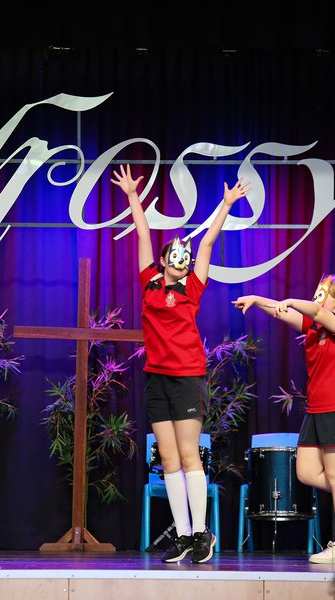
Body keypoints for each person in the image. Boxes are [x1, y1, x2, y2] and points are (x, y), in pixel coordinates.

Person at [111, 164, 249, 564]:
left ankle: (203, 533)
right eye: (174, 257)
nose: (181, 260)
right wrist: (133, 198)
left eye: (184, 258)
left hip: (188, 377)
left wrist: (225, 205)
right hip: (157, 378)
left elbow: (207, 243)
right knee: (168, 460)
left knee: (189, 456)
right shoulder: (149, 281)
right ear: (163, 260)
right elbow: (142, 234)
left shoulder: (193, 287)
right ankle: (184, 534)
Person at [232, 275, 335, 564]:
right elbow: (283, 312)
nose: (317, 296)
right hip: (317, 410)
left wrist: (292, 300)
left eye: (323, 292)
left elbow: (314, 311)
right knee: (306, 472)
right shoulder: (315, 327)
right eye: (317, 292)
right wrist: (257, 300)